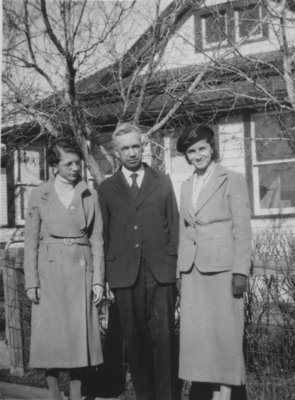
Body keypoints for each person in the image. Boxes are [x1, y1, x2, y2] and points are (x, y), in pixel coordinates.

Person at [98, 122, 179, 400]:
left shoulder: (162, 181)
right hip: (125, 274)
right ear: (115, 152)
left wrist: (176, 271)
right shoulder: (107, 188)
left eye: (136, 146)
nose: (132, 153)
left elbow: (174, 226)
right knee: (136, 343)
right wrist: (106, 276)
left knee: (166, 341)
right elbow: (104, 235)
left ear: (142, 147)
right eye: (125, 148)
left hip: (161, 272)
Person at [24, 138, 105, 400]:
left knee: (77, 340)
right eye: (68, 163)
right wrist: (31, 281)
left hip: (81, 272)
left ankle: (77, 396)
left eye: (77, 163)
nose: (74, 168)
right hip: (49, 273)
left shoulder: (89, 194)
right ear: (54, 165)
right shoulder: (40, 194)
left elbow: (97, 240)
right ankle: (54, 396)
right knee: (51, 340)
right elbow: (30, 241)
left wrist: (98, 281)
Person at [176, 125, 252, 400]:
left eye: (202, 148)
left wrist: (241, 271)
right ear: (186, 156)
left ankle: (226, 394)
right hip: (192, 272)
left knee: (225, 337)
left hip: (223, 270)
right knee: (200, 340)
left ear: (212, 148)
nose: (197, 155)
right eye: (191, 151)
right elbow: (184, 230)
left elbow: (243, 228)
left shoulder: (232, 179)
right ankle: (204, 393)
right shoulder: (185, 186)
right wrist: (179, 272)